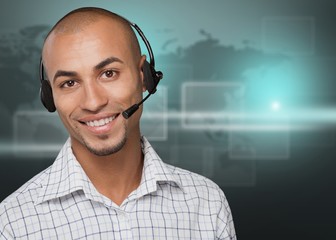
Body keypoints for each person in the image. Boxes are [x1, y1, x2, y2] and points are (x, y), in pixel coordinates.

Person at [0, 7, 236, 239]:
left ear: (145, 76)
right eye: (69, 83)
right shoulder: (13, 223)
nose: (93, 102)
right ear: (50, 97)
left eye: (109, 73)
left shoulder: (208, 203)